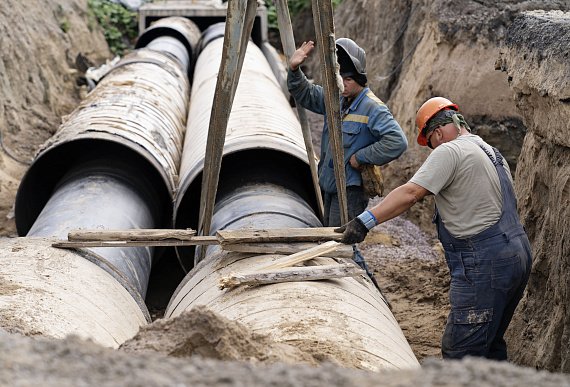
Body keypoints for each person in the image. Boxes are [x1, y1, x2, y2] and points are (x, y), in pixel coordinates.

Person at [335, 96, 532, 360]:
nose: (432, 149)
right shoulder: (489, 151)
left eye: (430, 144)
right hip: (518, 255)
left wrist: (364, 221)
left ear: (437, 133)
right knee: (491, 344)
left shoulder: (449, 151)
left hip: (485, 264)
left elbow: (411, 193)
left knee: (461, 352)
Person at [287, 39, 408, 293]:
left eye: (348, 79)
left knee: (341, 245)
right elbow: (306, 93)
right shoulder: (337, 98)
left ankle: (370, 294)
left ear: (360, 79)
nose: (342, 84)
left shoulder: (372, 107)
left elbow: (397, 142)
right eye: (339, 78)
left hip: (350, 191)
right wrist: (295, 70)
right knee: (330, 242)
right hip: (330, 185)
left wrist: (362, 156)